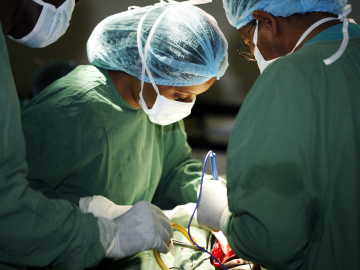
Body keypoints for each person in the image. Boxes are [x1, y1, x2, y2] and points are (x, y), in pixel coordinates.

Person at [21, 0, 228, 233]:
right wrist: (95, 216)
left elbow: (172, 171)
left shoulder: (155, 105)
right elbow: (16, 199)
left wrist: (207, 193)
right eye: (181, 95)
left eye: (195, 96)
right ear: (146, 65)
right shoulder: (73, 107)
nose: (187, 105)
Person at [0, 1, 173, 269]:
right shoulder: (76, 106)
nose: (68, 7)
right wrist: (99, 229)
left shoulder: (155, 110)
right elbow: (10, 211)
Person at [197, 0, 360, 269]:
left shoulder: (291, 77)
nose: (254, 54)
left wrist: (222, 216)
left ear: (268, 22)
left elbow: (269, 240)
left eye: (249, 44)